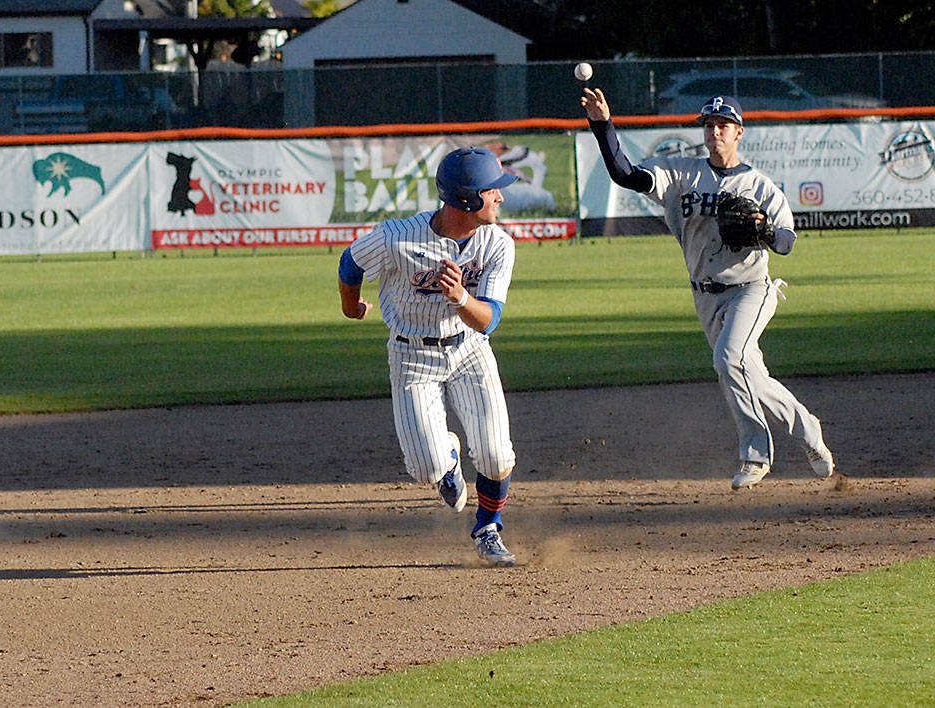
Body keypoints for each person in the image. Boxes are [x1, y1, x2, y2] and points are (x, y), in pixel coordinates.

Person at [580, 88, 835, 490]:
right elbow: (625, 174)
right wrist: (602, 124)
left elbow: (787, 242)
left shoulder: (759, 185)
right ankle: (808, 429)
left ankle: (755, 454)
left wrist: (766, 231)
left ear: (739, 132)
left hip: (751, 290)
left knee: (729, 360)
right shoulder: (681, 174)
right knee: (750, 376)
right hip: (704, 294)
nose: (715, 131)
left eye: (723, 125)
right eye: (710, 125)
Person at [337, 146, 519, 566]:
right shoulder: (396, 237)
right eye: (492, 190)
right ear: (468, 199)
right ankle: (447, 458)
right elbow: (350, 262)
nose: (500, 197)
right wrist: (351, 307)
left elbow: (488, 321)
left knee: (496, 456)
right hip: (411, 356)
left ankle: (488, 530)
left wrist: (460, 298)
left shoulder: (498, 244)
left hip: (470, 350)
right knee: (425, 468)